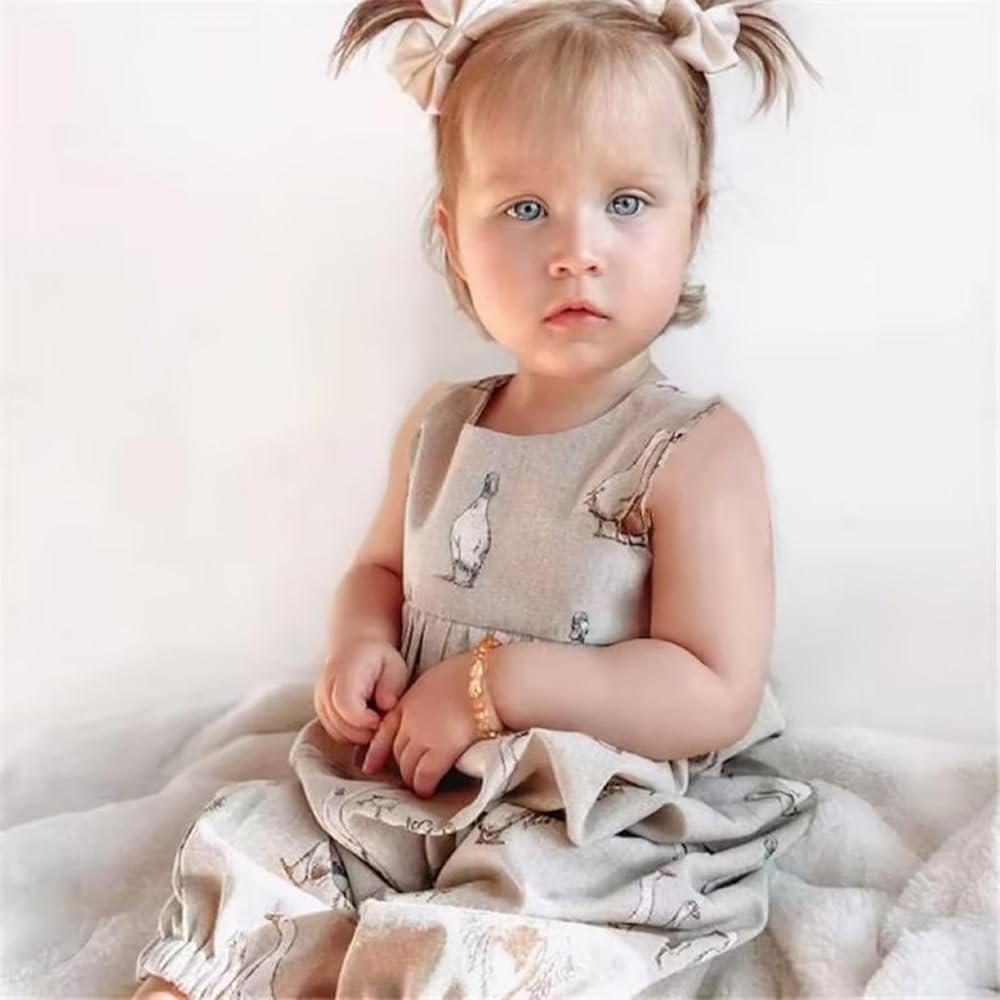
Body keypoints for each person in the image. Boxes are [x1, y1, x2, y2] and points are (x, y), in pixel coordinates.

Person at [132, 1, 823, 996]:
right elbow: (379, 570)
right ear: (455, 238)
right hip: (402, 785)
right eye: (526, 209)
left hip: (581, 812)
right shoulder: (442, 424)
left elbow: (711, 689)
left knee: (513, 923)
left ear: (693, 222)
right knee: (261, 848)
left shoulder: (693, 451)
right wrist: (359, 642)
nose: (575, 250)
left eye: (627, 201)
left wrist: (492, 687)